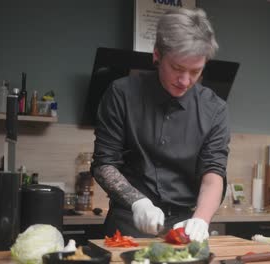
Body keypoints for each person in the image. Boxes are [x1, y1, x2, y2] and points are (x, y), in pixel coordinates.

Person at [91, 8, 230, 242]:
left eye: (195, 71)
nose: (185, 81)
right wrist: (138, 201)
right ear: (157, 55)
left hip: (186, 225)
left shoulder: (215, 109)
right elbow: (104, 164)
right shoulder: (121, 94)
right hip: (129, 221)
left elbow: (213, 173)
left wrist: (201, 219)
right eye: (177, 68)